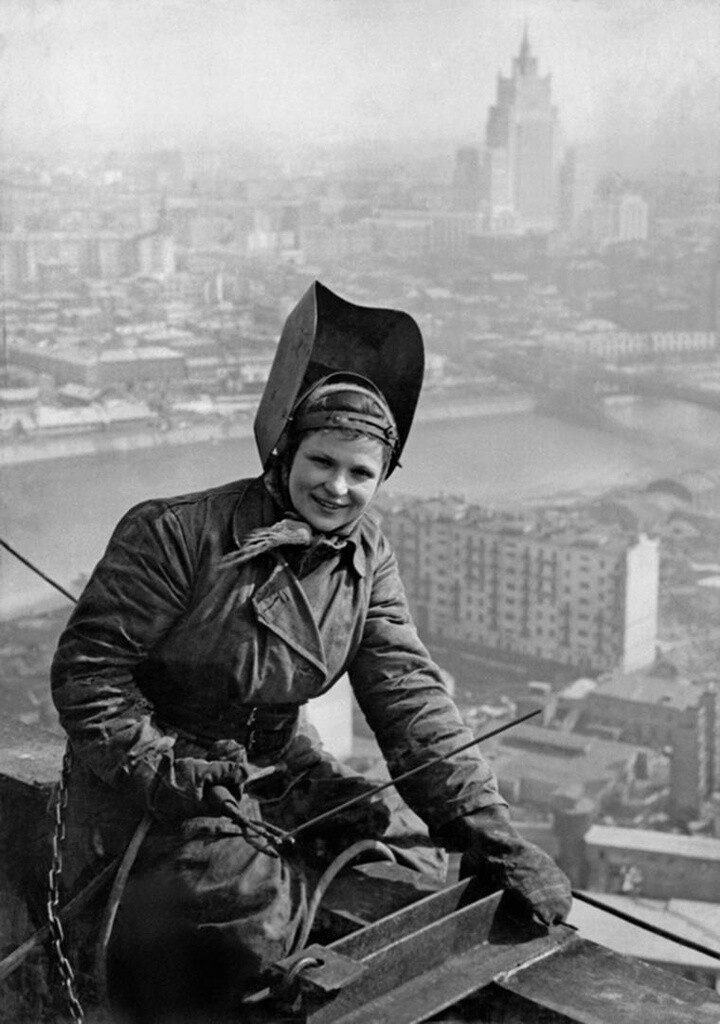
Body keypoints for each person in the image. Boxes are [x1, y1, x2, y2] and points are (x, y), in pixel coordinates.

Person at [51, 282, 571, 1022]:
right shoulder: (176, 533)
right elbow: (90, 677)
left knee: (398, 853)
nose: (338, 488)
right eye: (323, 461)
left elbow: (410, 698)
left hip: (277, 766)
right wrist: (167, 768)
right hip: (158, 781)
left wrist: (491, 834)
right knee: (243, 920)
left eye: (362, 473)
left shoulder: (365, 557)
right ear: (286, 450)